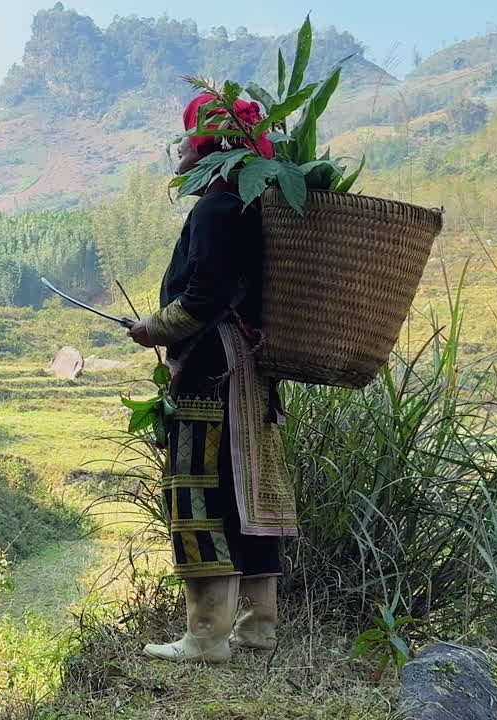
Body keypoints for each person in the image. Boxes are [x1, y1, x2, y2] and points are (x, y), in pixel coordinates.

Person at [127, 93, 299, 664]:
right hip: (250, 373)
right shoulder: (255, 206)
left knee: (204, 492)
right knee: (247, 493)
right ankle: (258, 629)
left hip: (211, 371)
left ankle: (206, 636)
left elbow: (203, 299)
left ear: (208, 152)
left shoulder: (215, 212)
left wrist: (154, 328)